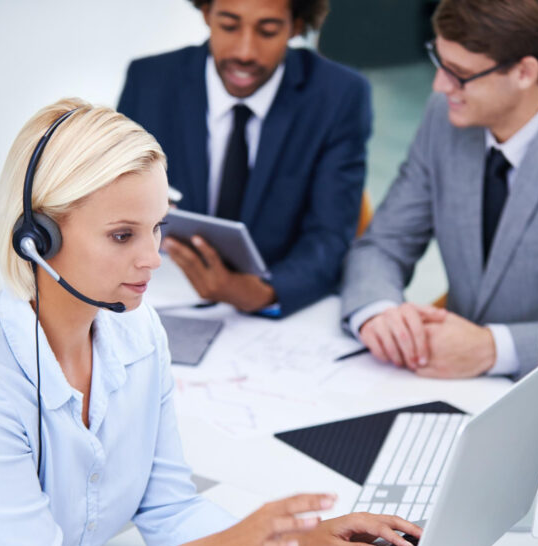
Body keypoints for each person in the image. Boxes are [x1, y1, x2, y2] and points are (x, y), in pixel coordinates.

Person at [0, 99, 420, 546]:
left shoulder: (139, 333)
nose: (153, 258)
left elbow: (167, 507)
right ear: (38, 238)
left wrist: (296, 540)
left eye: (157, 227)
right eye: (122, 235)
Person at [341, 0, 538, 380]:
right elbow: (384, 243)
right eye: (439, 61)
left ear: (524, 72)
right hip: (447, 384)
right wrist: (379, 312)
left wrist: (495, 348)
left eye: (460, 74)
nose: (439, 85)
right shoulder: (444, 117)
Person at [118, 0, 371, 317]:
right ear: (207, 13)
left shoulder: (340, 97)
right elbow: (115, 206)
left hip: (272, 307)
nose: (245, 52)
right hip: (159, 294)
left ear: (295, 26)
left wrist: (264, 293)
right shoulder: (150, 81)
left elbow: (330, 237)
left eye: (267, 31)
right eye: (229, 26)